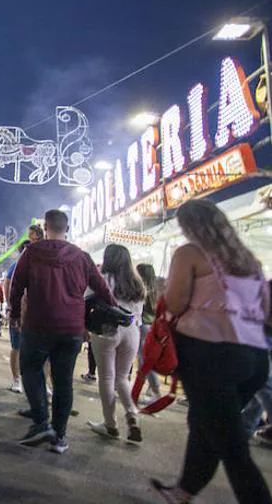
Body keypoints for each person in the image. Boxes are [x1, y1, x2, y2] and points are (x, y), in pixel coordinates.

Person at [151, 200, 271, 504]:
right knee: (205, 423)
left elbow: (175, 303)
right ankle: (183, 490)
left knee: (232, 447)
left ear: (191, 226)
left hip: (209, 355)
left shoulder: (190, 253)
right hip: (254, 358)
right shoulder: (249, 261)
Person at [10, 209, 114, 454]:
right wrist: (116, 310)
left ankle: (41, 422)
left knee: (32, 369)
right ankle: (60, 435)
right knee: (64, 380)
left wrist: (14, 313)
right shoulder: (82, 257)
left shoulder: (32, 253)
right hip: (72, 328)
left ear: (46, 227)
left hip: (39, 325)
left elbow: (17, 286)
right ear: (67, 229)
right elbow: (102, 287)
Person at [86, 243, 146, 443]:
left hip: (106, 330)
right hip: (132, 331)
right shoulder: (137, 282)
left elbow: (85, 300)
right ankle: (132, 415)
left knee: (106, 378)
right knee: (122, 377)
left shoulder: (102, 278)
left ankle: (110, 425)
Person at [4, 241, 30, 393]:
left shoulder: (40, 266)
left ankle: (40, 383)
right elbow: (7, 285)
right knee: (17, 346)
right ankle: (16, 379)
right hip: (18, 312)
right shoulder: (15, 267)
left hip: (35, 314)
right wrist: (9, 305)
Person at [135, 263, 163, 402]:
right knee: (144, 359)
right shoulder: (156, 291)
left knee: (144, 360)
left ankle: (156, 390)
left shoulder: (142, 290)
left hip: (143, 326)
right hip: (152, 327)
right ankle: (148, 390)